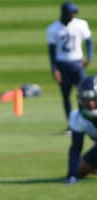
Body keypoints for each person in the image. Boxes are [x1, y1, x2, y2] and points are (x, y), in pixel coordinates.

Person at [46, 1, 93, 134]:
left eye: (74, 14)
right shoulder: (53, 29)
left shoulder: (81, 24)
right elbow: (52, 51)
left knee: (84, 94)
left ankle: (86, 122)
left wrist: (89, 57)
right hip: (63, 66)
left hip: (77, 65)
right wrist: (54, 69)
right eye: (70, 14)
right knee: (66, 96)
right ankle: (71, 125)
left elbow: (89, 42)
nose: (73, 17)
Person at [63, 76, 97, 184]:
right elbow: (76, 147)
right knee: (78, 170)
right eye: (86, 100)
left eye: (94, 100)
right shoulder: (77, 117)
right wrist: (72, 176)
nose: (91, 104)